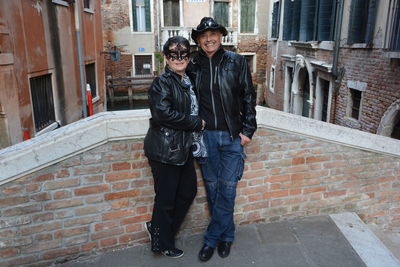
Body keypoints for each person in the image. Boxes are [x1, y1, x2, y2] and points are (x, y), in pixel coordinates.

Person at [188, 17, 257, 262]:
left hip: (231, 137)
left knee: (227, 189)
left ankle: (211, 239)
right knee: (213, 189)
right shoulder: (192, 64)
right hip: (205, 137)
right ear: (197, 40)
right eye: (203, 35)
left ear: (221, 36)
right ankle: (227, 235)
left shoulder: (236, 61)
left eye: (213, 34)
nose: (209, 39)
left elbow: (248, 95)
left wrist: (248, 130)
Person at [143, 36, 206, 258]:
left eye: (183, 54)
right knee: (166, 199)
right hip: (165, 148)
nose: (179, 59)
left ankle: (159, 230)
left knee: (188, 192)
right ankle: (163, 243)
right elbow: (162, 114)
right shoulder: (162, 82)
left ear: (188, 56)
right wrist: (195, 123)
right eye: (173, 55)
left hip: (184, 146)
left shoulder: (189, 79)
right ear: (166, 58)